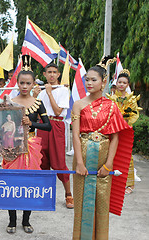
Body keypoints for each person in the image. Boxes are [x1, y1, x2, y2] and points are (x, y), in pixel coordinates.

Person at [71, 56, 133, 239]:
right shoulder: (78, 104)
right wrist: (79, 163)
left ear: (104, 82)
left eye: (93, 79)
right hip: (82, 156)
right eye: (87, 79)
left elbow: (115, 137)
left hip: (103, 157)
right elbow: (75, 134)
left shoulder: (111, 106)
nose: (89, 83)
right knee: (82, 202)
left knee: (102, 203)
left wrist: (108, 164)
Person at [0, 55, 51, 234]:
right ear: (17, 83)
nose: (24, 86)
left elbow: (48, 126)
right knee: (11, 184)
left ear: (32, 85)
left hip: (31, 148)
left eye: (28, 83)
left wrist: (31, 124)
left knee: (29, 184)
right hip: (12, 147)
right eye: (21, 83)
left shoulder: (38, 103)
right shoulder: (10, 102)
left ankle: (26, 220)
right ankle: (12, 221)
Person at [33, 62, 74, 208]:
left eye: (54, 72)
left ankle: (68, 195)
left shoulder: (62, 90)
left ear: (58, 74)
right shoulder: (41, 91)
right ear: (44, 74)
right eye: (48, 72)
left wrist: (49, 92)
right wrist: (34, 96)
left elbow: (57, 112)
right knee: (42, 160)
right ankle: (44, 194)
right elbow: (34, 113)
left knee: (59, 161)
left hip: (56, 124)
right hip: (42, 125)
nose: (51, 75)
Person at [106, 69, 142, 194]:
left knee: (126, 157)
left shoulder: (131, 98)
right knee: (112, 156)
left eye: (124, 82)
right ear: (116, 83)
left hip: (125, 131)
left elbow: (134, 115)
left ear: (127, 84)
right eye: (119, 82)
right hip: (113, 131)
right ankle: (114, 184)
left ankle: (129, 185)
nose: (121, 84)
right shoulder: (111, 98)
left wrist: (124, 124)